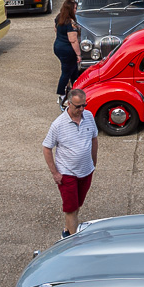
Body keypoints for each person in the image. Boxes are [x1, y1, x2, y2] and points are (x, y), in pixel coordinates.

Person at [44, 89, 98, 237]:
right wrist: (55, 173)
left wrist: (94, 161)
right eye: (78, 106)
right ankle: (74, 243)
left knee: (77, 204)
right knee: (71, 209)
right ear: (68, 103)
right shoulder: (58, 125)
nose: (81, 109)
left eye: (83, 105)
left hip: (86, 171)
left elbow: (94, 138)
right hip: (67, 173)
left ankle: (67, 230)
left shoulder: (89, 116)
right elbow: (47, 148)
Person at [54, 0, 83, 104]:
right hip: (67, 50)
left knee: (73, 70)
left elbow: (56, 30)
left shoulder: (59, 17)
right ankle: (61, 95)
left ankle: (75, 90)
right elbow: (73, 40)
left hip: (58, 46)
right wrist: (78, 54)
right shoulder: (71, 23)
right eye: (75, 8)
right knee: (66, 72)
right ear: (70, 9)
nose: (76, 10)